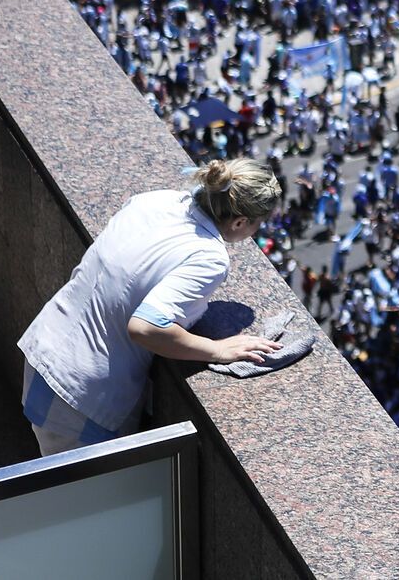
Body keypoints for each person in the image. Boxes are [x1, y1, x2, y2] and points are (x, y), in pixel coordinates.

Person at [17, 158, 283, 454]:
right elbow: (146, 327)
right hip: (82, 395)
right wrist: (218, 349)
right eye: (258, 223)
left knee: (54, 475)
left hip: (46, 347)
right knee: (86, 496)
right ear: (239, 222)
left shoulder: (156, 200)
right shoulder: (210, 256)